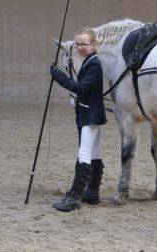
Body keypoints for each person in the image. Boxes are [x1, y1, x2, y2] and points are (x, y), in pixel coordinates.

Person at [50, 27, 106, 212]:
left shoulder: (94, 64)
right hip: (90, 113)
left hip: (89, 114)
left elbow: (81, 88)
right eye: (78, 44)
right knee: (94, 154)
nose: (81, 47)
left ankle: (75, 196)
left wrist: (59, 76)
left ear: (94, 45)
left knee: (84, 154)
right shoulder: (89, 61)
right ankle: (92, 192)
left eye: (84, 44)